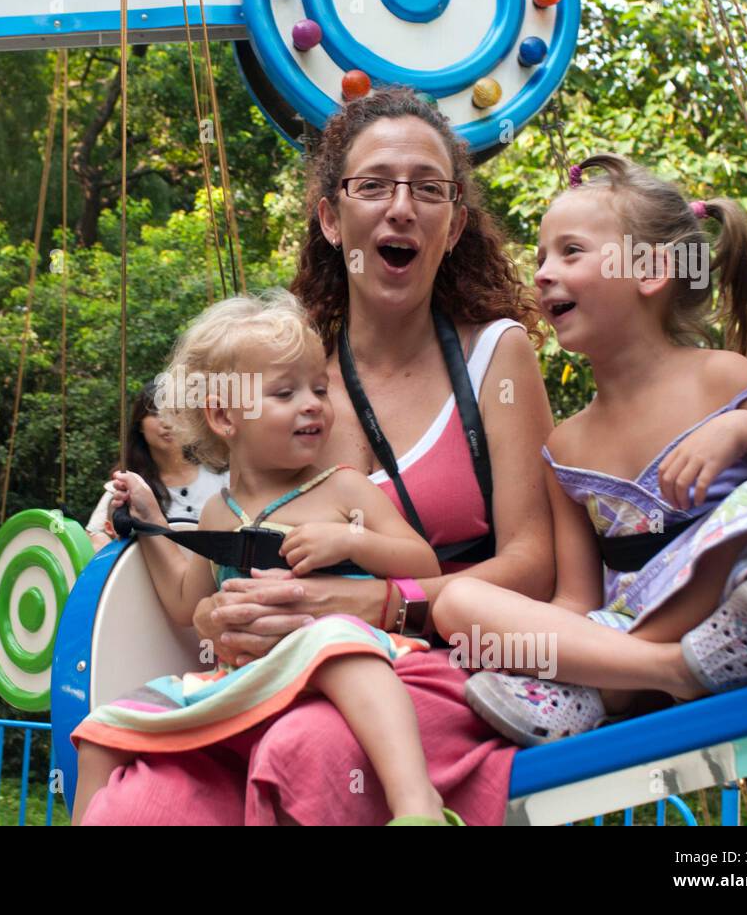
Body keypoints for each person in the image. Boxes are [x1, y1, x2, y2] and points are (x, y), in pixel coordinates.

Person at [81, 85, 556, 826]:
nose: (401, 207)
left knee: (307, 753)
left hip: (430, 671)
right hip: (265, 679)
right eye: (373, 185)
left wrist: (381, 600)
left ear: (455, 222)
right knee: (139, 801)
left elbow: (535, 561)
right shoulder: (290, 393)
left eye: (428, 189)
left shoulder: (496, 357)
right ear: (331, 218)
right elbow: (217, 558)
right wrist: (146, 538)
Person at [430, 154, 747, 746]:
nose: (545, 273)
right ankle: (667, 667)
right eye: (542, 258)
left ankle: (594, 685)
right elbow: (576, 599)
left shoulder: (723, 378)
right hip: (638, 638)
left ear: (652, 271)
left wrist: (743, 431)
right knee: (460, 602)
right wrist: (551, 641)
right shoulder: (566, 445)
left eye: (571, 252)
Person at [72, 290, 461, 826]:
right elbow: (187, 605)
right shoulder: (218, 511)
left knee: (331, 639)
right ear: (224, 417)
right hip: (253, 675)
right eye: (286, 392)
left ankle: (417, 807)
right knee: (103, 727)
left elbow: (423, 562)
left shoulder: (342, 489)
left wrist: (351, 542)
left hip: (340, 654)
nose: (313, 404)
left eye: (319, 389)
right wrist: (153, 525)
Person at [84, 381, 227, 551]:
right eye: (156, 412)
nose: (167, 422)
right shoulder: (127, 486)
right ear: (140, 425)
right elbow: (92, 539)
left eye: (176, 412)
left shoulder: (224, 477)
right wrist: (101, 540)